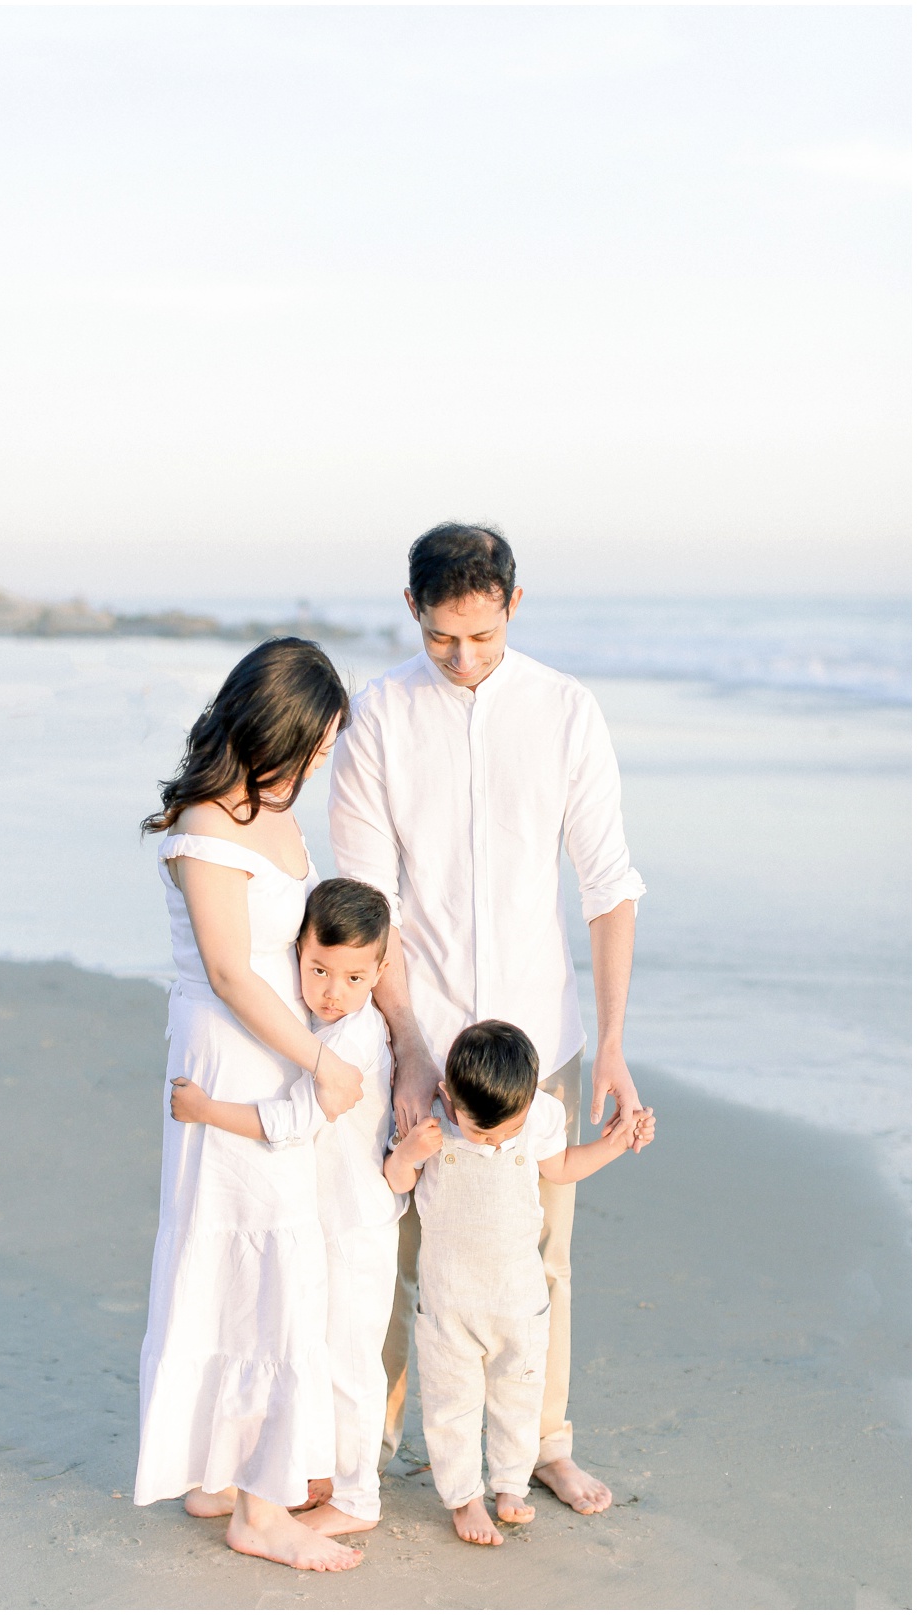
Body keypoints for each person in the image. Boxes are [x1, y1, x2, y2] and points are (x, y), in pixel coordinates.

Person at [329, 522, 647, 1515]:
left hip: (533, 1042)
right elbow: (365, 901)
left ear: (513, 602)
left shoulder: (564, 710)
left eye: (480, 635)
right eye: (440, 639)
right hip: (410, 1029)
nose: (462, 660)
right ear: (414, 614)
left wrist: (616, 1046)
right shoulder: (379, 715)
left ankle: (541, 1441)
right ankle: (367, 1440)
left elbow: (609, 886)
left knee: (536, 1251)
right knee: (393, 1241)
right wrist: (411, 1044)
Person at [133, 638, 366, 1574]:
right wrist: (320, 1062)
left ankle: (220, 1470)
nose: (319, 765)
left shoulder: (274, 812)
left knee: (254, 1266)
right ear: (275, 728)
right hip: (236, 1058)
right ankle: (263, 1511)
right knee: (256, 1266)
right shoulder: (206, 824)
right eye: (313, 746)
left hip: (275, 1057)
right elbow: (232, 970)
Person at [172, 877, 405, 1537]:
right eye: (319, 968)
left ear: (380, 972)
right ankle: (313, 1473)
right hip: (320, 1218)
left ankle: (358, 1496)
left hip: (356, 1220)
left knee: (351, 1360)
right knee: (313, 1348)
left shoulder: (357, 1038)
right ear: (299, 952)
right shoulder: (317, 1021)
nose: (333, 988)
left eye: (355, 975)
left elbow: (299, 1118)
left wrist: (208, 1111)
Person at [385, 1020, 655, 1546]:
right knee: (451, 1407)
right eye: (481, 1133)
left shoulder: (537, 1118)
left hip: (518, 1302)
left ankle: (511, 1485)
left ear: (529, 1100)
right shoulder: (433, 1123)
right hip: (449, 1309)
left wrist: (618, 1144)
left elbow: (562, 1168)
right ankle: (463, 1498)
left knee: (519, 1396)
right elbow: (396, 1182)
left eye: (508, 1129)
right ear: (448, 1095)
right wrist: (409, 1154)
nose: (494, 1141)